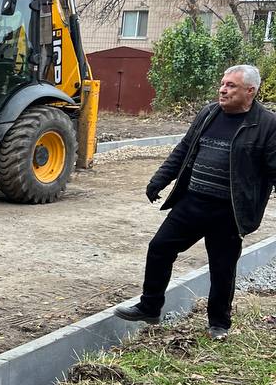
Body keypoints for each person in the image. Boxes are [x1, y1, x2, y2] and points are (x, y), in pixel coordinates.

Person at [115, 64, 276, 339]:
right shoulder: (209, 113)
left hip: (229, 212)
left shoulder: (267, 125)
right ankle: (150, 307)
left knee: (222, 268)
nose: (223, 90)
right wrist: (159, 180)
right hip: (192, 202)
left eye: (231, 86)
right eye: (223, 84)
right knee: (159, 248)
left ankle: (219, 324)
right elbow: (183, 149)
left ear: (250, 91)